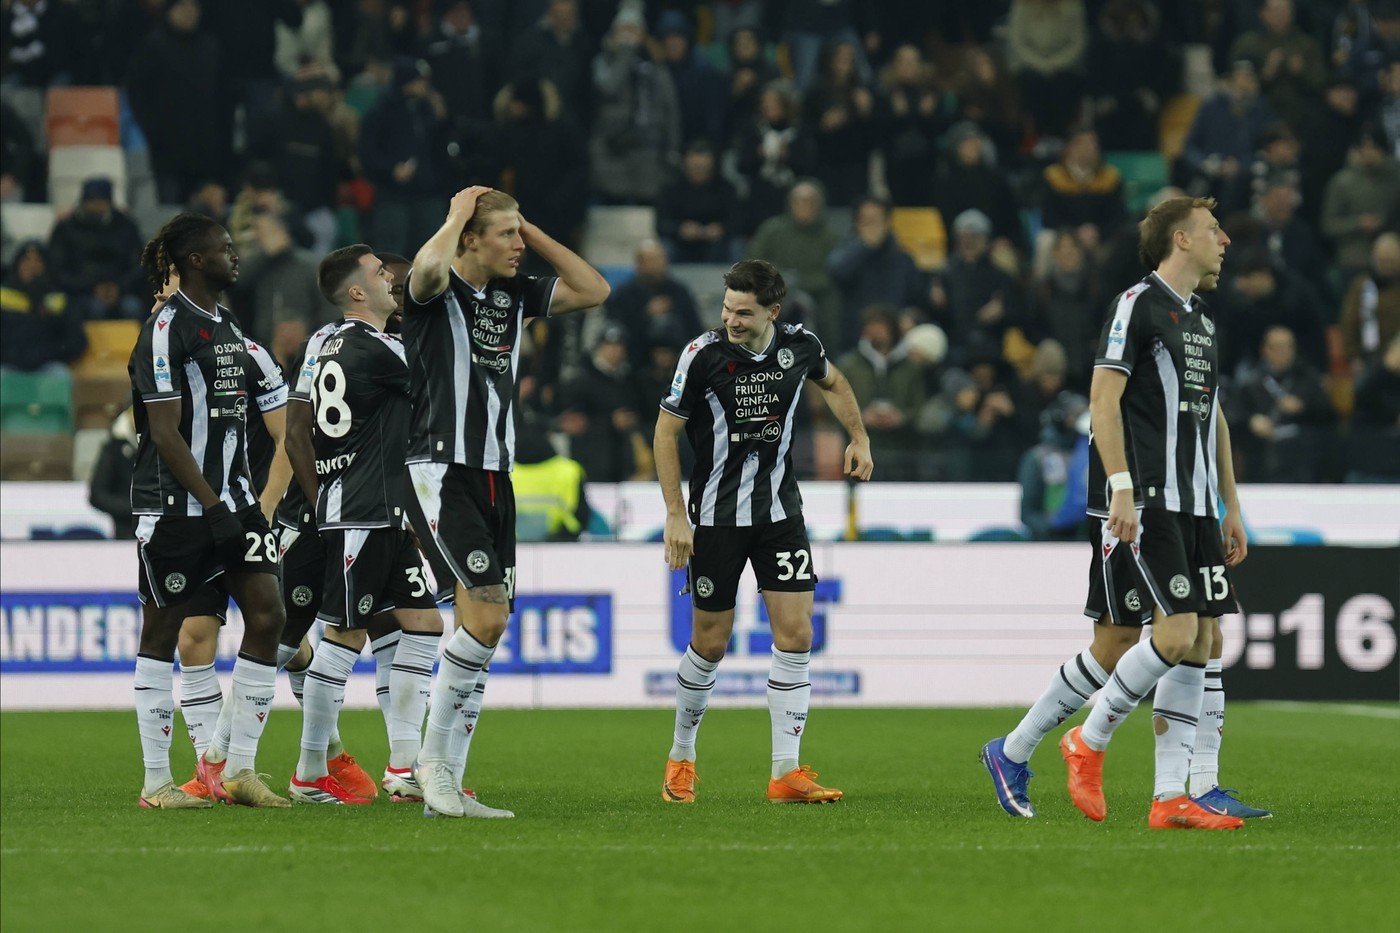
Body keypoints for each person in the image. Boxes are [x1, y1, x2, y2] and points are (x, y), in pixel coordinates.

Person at [980, 196, 1261, 829]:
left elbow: (1211, 415)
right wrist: (1122, 487)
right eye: (1214, 230)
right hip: (1143, 498)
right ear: (1181, 239)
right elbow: (1102, 402)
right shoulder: (1136, 305)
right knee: (1156, 638)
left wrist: (1230, 503)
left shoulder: (1202, 321)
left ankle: (1172, 794)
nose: (1225, 241)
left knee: (1194, 637)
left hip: (1194, 503)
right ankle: (1079, 744)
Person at [403, 185, 610, 818]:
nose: (519, 246)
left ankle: (447, 780)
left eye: (521, 235)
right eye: (507, 235)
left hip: (497, 473)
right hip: (441, 467)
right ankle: (431, 767)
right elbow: (426, 267)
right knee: (487, 619)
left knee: (482, 631)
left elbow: (594, 288)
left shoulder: (514, 295)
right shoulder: (436, 291)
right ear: (470, 239)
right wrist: (455, 215)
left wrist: (527, 225)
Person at [656, 259, 873, 805]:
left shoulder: (800, 346)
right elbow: (664, 433)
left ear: (773, 312)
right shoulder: (701, 355)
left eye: (744, 312)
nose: (731, 319)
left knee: (796, 635)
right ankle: (681, 757)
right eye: (727, 308)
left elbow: (835, 382)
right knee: (710, 642)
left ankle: (785, 773)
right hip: (716, 518)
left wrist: (859, 436)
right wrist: (676, 514)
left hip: (780, 515)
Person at [128, 213, 289, 809]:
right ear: (196, 260)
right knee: (162, 633)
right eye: (224, 248)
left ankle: (238, 766)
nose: (234, 254)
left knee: (268, 616)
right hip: (176, 510)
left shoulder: (227, 326)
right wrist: (211, 504)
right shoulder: (164, 328)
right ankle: (156, 783)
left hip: (235, 505)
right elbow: (165, 432)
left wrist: (237, 505)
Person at [282, 245, 443, 804]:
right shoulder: (379, 349)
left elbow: (301, 430)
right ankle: (308, 772)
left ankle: (405, 768)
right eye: (380, 273)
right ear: (357, 291)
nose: (391, 280)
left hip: (376, 508)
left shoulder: (324, 341)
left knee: (423, 622)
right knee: (343, 636)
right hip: (363, 509)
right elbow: (440, 380)